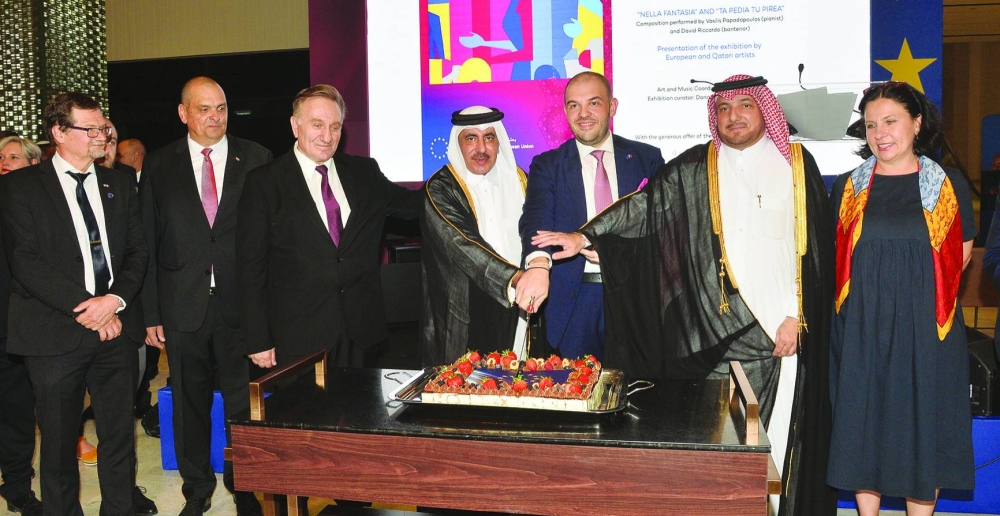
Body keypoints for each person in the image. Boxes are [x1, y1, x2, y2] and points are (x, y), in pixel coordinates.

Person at [532, 75, 836, 516]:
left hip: (779, 332)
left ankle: (764, 509)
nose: (734, 117)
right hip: (711, 330)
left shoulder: (796, 165)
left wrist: (796, 315)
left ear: (765, 111)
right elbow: (644, 209)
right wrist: (584, 239)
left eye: (745, 106)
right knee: (719, 437)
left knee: (770, 434)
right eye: (724, 109)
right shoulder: (698, 165)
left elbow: (813, 252)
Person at [827, 81, 976, 515]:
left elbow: (959, 259)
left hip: (926, 332)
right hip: (861, 331)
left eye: (891, 121)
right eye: (871, 125)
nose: (880, 133)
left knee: (921, 428)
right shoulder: (848, 189)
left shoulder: (946, 187)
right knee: (862, 425)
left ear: (917, 122)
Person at [0, 92, 147, 516]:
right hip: (53, 335)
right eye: (91, 129)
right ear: (59, 133)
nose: (101, 135)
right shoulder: (20, 187)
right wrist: (90, 307)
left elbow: (138, 252)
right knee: (60, 446)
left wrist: (114, 301)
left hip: (117, 331)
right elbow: (24, 262)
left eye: (103, 127)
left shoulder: (119, 182)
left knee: (120, 439)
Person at [141, 76, 273, 516]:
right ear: (183, 113)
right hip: (182, 306)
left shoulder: (257, 158)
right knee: (189, 404)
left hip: (242, 305)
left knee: (244, 405)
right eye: (204, 109)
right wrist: (150, 312)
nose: (215, 117)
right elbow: (147, 242)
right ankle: (196, 491)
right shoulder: (158, 166)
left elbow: (270, 241)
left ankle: (246, 488)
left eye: (221, 107)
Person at [238, 83, 421, 369]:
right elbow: (250, 268)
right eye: (317, 125)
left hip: (363, 336)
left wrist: (463, 177)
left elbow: (415, 206)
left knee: (365, 414)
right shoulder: (263, 183)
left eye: (335, 127)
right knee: (305, 414)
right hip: (298, 341)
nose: (327, 136)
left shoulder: (364, 174)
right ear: (295, 125)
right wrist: (258, 339)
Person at [518, 71, 664, 361]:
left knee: (635, 393)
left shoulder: (647, 158)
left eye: (593, 103)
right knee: (574, 395)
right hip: (574, 304)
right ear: (565, 111)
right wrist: (537, 265)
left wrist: (620, 248)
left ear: (612, 106)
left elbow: (663, 221)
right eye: (574, 105)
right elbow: (536, 218)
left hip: (633, 295)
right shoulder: (548, 165)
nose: (583, 114)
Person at [421, 106, 538, 366]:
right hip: (467, 308)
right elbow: (462, 245)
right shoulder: (440, 188)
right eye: (471, 138)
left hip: (519, 305)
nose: (481, 148)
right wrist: (517, 279)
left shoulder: (520, 181)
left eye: (489, 137)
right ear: (458, 143)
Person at [0, 135, 41, 515]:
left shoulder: (43, 206)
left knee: (17, 410)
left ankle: (16, 485)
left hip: (22, 325)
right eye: (0, 157)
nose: (4, 162)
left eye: (13, 156)